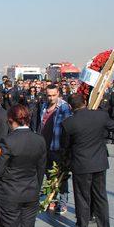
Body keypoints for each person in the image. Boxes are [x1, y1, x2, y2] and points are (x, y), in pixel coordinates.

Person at [61, 94, 114, 227]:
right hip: (99, 163)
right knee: (101, 197)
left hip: (81, 165)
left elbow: (66, 146)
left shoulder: (68, 123)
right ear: (85, 102)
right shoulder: (100, 116)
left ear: (70, 107)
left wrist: (65, 163)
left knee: (83, 198)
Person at [0, 105, 46, 227]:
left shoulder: (8, 141)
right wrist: (35, 187)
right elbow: (41, 168)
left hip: (10, 193)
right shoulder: (39, 139)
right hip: (31, 192)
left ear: (11, 120)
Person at [38, 84, 72, 214]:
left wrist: (66, 148)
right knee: (49, 175)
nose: (51, 98)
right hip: (45, 146)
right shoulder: (44, 106)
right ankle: (52, 199)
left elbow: (67, 128)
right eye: (49, 95)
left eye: (54, 95)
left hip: (58, 147)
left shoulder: (64, 107)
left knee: (60, 176)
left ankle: (62, 203)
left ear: (58, 93)